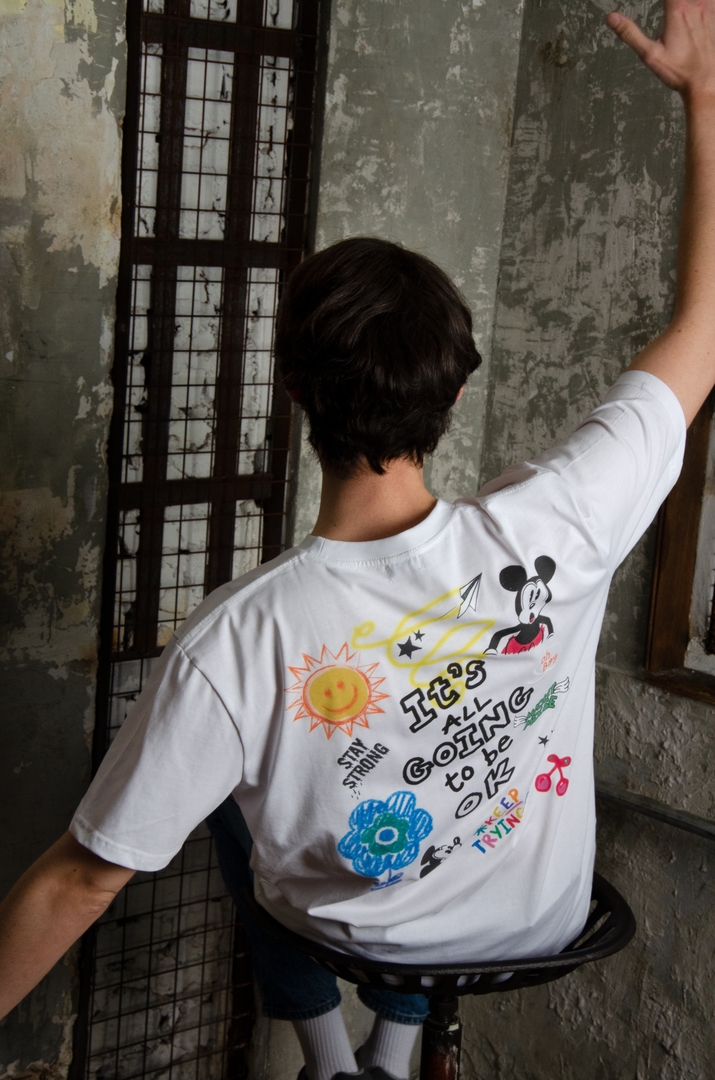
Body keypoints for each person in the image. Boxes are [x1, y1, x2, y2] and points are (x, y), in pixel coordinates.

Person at [1, 4, 715, 1079]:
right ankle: (393, 1049)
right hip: (540, 918)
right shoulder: (564, 515)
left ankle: (332, 1060)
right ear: (453, 388)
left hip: (369, 934)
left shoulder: (238, 639)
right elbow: (701, 326)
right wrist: (703, 97)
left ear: (291, 391)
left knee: (230, 792)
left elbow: (83, 877)